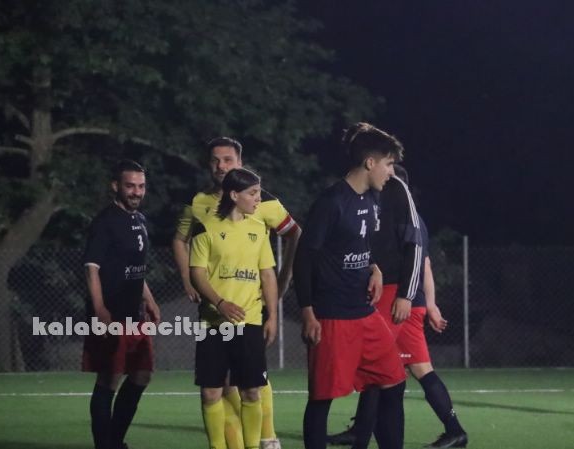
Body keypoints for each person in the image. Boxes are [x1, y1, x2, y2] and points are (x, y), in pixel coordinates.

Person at [328, 165, 468, 449]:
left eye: (387, 180)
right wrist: (430, 304)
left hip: (398, 302)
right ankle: (454, 430)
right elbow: (423, 263)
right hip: (407, 302)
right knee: (418, 368)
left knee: (376, 367)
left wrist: (415, 299)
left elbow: (421, 262)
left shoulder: (402, 215)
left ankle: (361, 434)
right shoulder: (393, 215)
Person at [173, 137, 299, 449]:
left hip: (251, 306)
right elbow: (180, 239)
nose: (220, 166)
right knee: (219, 387)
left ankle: (267, 438)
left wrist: (282, 283)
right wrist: (188, 279)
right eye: (215, 160)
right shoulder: (199, 203)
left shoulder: (264, 202)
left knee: (252, 381)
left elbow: (294, 235)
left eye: (228, 160)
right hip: (215, 308)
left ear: (239, 162)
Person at [294, 122, 407, 449]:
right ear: (370, 163)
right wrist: (307, 311)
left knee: (394, 381)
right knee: (322, 399)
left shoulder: (372, 198)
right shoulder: (331, 201)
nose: (391, 172)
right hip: (332, 317)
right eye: (388, 164)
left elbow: (356, 243)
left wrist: (374, 267)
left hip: (365, 314)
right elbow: (304, 259)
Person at [190, 168, 279, 449]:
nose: (258, 199)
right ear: (234, 195)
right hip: (212, 323)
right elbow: (197, 273)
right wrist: (219, 303)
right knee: (210, 393)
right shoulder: (205, 227)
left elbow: (267, 274)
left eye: (258, 192)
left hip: (249, 321)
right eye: (253, 193)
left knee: (251, 391)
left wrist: (272, 316)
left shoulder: (258, 229)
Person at [82, 160, 161, 449]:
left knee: (142, 375)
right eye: (130, 186)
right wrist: (100, 309)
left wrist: (149, 300)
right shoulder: (105, 222)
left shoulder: (139, 219)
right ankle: (105, 445)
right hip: (112, 313)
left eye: (141, 186)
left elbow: (135, 268)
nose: (136, 192)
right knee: (109, 378)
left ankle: (116, 441)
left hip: (135, 314)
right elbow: (91, 268)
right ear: (115, 186)